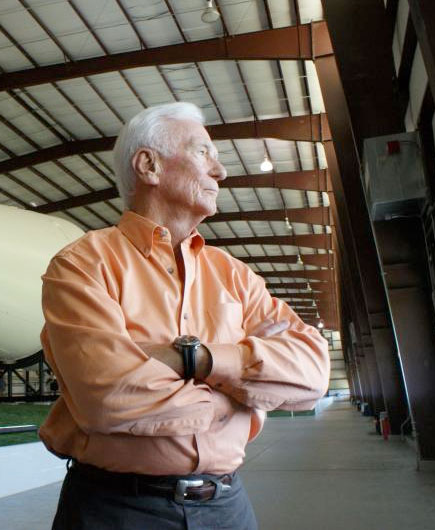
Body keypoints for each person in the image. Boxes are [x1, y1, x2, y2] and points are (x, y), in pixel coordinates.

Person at [39, 102, 330, 529]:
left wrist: (198, 359)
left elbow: (313, 371)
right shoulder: (83, 265)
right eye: (203, 153)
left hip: (227, 508)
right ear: (149, 165)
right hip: (116, 510)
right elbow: (106, 395)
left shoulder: (235, 276)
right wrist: (236, 399)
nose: (220, 172)